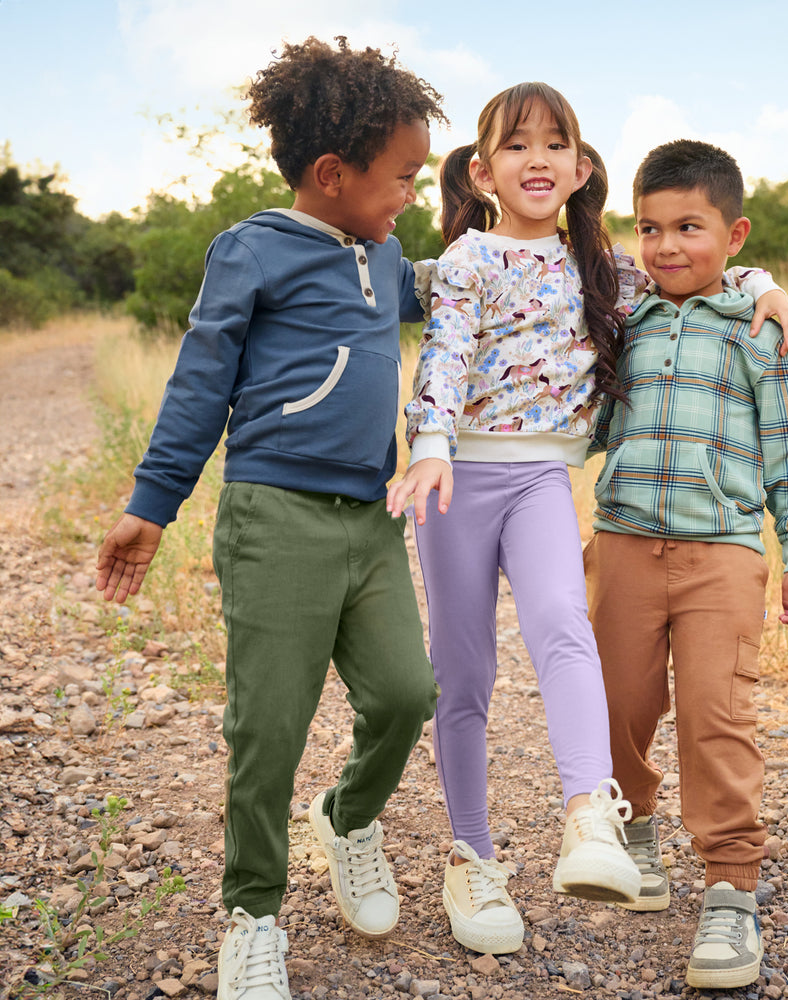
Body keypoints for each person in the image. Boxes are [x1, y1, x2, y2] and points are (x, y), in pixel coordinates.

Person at [386, 82, 788, 957]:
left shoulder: (606, 270)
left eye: (554, 144)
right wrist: (428, 442)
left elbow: (698, 271)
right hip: (454, 477)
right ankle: (473, 855)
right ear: (482, 169)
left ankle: (592, 818)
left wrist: (763, 282)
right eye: (515, 144)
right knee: (461, 677)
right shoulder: (464, 260)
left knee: (564, 628)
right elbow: (448, 350)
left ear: (581, 168)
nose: (535, 159)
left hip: (542, 475)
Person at [94, 37, 447, 1000]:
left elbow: (473, 283)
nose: (409, 193)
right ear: (333, 175)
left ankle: (345, 816)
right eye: (401, 176)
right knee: (270, 731)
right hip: (274, 517)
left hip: (371, 521)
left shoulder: (385, 258)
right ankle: (253, 913)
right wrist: (150, 507)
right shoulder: (253, 249)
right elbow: (200, 385)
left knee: (408, 694)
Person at [584, 138, 788, 990]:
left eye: (690, 227)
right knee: (619, 703)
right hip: (621, 545)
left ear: (735, 232)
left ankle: (731, 887)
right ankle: (633, 824)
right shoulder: (625, 320)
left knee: (719, 717)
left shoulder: (763, 332)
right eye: (651, 229)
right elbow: (593, 426)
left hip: (722, 554)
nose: (668, 246)